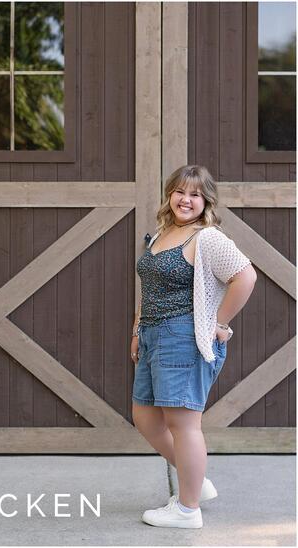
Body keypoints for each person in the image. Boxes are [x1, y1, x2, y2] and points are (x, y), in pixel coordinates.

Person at [130, 165, 257, 529]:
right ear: (170, 194)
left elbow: (245, 276)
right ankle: (194, 481)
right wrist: (138, 328)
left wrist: (220, 321)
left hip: (183, 335)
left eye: (195, 194)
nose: (186, 200)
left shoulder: (207, 238)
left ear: (206, 201)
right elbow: (151, 287)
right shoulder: (162, 233)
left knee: (183, 423)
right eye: (180, 192)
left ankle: (187, 510)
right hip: (154, 335)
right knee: (145, 417)